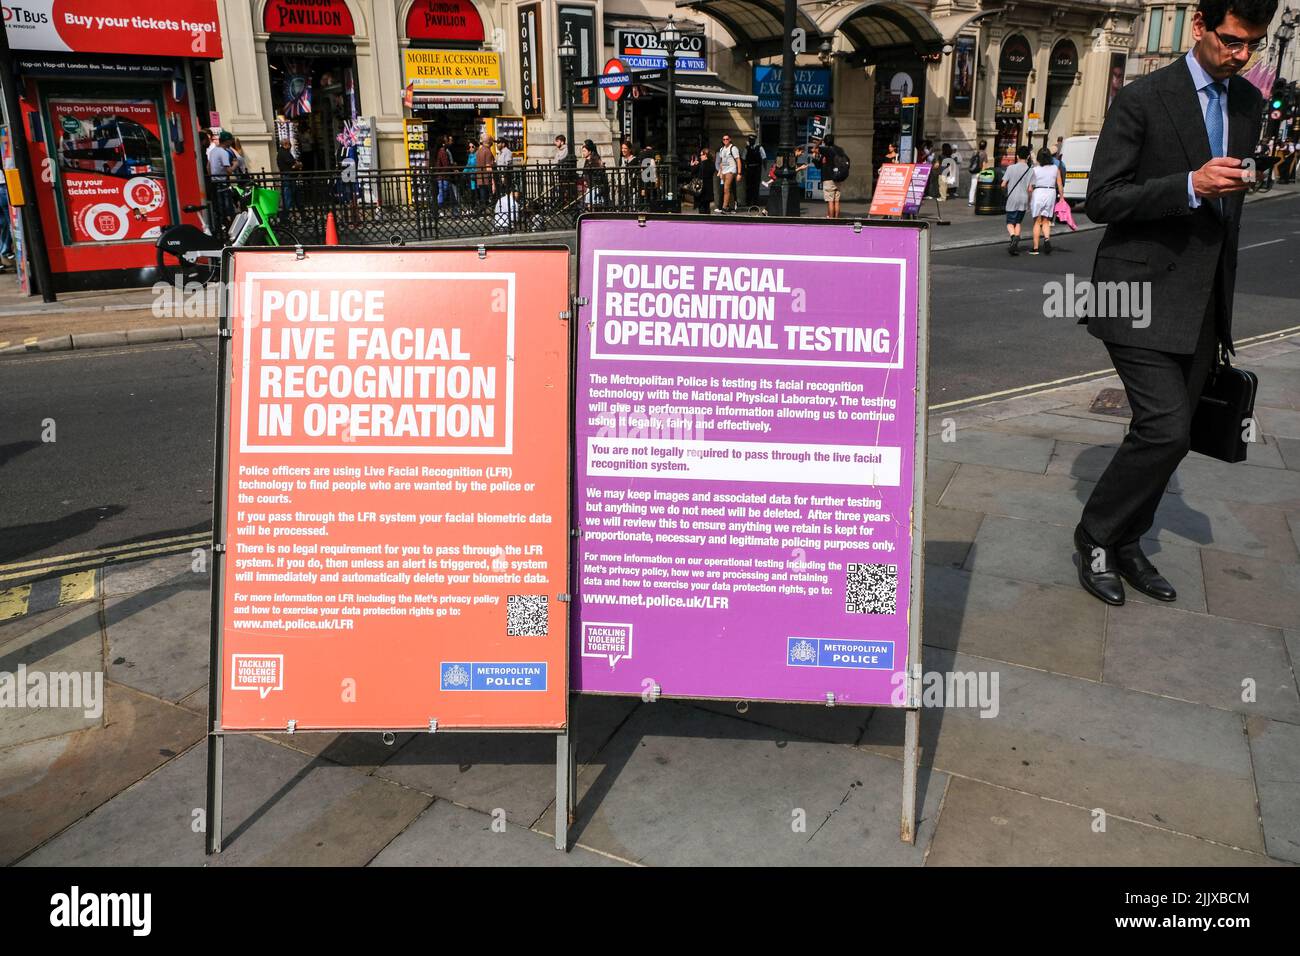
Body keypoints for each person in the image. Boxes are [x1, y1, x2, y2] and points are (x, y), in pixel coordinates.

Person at [1074, 0, 1274, 607]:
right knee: (1163, 428)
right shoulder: (1142, 97)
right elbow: (1102, 199)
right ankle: (1095, 538)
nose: (1241, 55)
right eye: (1232, 40)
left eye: (1252, 45)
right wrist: (1191, 184)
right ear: (1199, 25)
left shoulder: (1248, 103)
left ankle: (1129, 542)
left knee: (1178, 432)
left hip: (1203, 298)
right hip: (1134, 291)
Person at [1026, 146, 1064, 254]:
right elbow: (1060, 184)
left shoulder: (1035, 170)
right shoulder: (1055, 169)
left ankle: (1036, 248)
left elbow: (1029, 188)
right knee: (1046, 220)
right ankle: (1047, 239)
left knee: (1037, 222)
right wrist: (1061, 197)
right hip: (1050, 193)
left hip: (1038, 192)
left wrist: (1029, 199)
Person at [1000, 145, 1033, 255]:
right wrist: (1030, 201)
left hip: (1012, 198)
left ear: (1017, 156)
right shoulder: (1030, 170)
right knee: (1018, 222)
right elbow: (1030, 188)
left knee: (1010, 223)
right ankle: (1015, 242)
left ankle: (1013, 237)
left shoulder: (1010, 168)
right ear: (1028, 156)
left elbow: (1003, 184)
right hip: (1023, 199)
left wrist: (1005, 191)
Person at [815, 135, 845, 219]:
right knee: (837, 201)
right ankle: (837, 219)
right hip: (838, 177)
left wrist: (819, 142)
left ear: (825, 141)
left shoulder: (826, 150)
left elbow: (814, 149)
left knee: (830, 201)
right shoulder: (840, 149)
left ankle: (831, 220)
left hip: (828, 178)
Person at [715, 133, 740, 212]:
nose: (725, 140)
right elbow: (723, 162)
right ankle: (732, 207)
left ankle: (724, 207)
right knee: (729, 189)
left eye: (727, 139)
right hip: (724, 171)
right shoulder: (722, 149)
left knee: (726, 188)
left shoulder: (733, 148)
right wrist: (721, 171)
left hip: (731, 170)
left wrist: (739, 173)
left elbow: (738, 160)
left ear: (730, 140)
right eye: (724, 139)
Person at [276, 138, 300, 210]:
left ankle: (302, 214)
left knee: (294, 196)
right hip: (288, 177)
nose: (291, 145)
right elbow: (291, 163)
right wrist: (297, 165)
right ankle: (285, 217)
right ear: (286, 144)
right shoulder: (284, 153)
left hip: (289, 177)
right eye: (289, 144)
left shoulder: (284, 152)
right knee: (288, 198)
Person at [741, 134, 765, 206]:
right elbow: (743, 159)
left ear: (755, 140)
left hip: (757, 169)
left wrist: (764, 167)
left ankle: (755, 203)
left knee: (756, 186)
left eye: (752, 140)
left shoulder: (759, 148)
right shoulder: (747, 148)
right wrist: (743, 169)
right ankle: (748, 202)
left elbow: (764, 157)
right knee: (748, 186)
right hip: (749, 169)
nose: (751, 141)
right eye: (750, 140)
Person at [580, 139, 606, 207]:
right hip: (590, 186)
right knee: (589, 205)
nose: (583, 152)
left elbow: (600, 171)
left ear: (590, 151)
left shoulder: (594, 159)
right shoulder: (588, 160)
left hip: (594, 186)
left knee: (592, 205)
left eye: (584, 151)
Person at [690, 146, 712, 213]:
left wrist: (693, 165)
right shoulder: (711, 164)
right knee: (707, 206)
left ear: (705, 155)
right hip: (708, 187)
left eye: (701, 155)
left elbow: (693, 172)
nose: (700, 157)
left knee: (701, 205)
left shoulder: (701, 164)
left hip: (701, 187)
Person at [474, 136, 495, 207]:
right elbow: (489, 167)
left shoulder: (478, 151)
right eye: (492, 141)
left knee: (483, 198)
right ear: (489, 142)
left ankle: (483, 212)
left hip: (479, 178)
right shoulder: (488, 151)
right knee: (488, 199)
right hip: (486, 179)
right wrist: (493, 182)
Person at [968, 139, 988, 204]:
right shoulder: (984, 154)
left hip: (974, 171)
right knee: (981, 187)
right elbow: (984, 165)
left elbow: (971, 161)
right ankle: (980, 200)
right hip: (980, 172)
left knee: (973, 186)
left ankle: (970, 201)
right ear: (985, 146)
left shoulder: (975, 152)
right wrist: (984, 173)